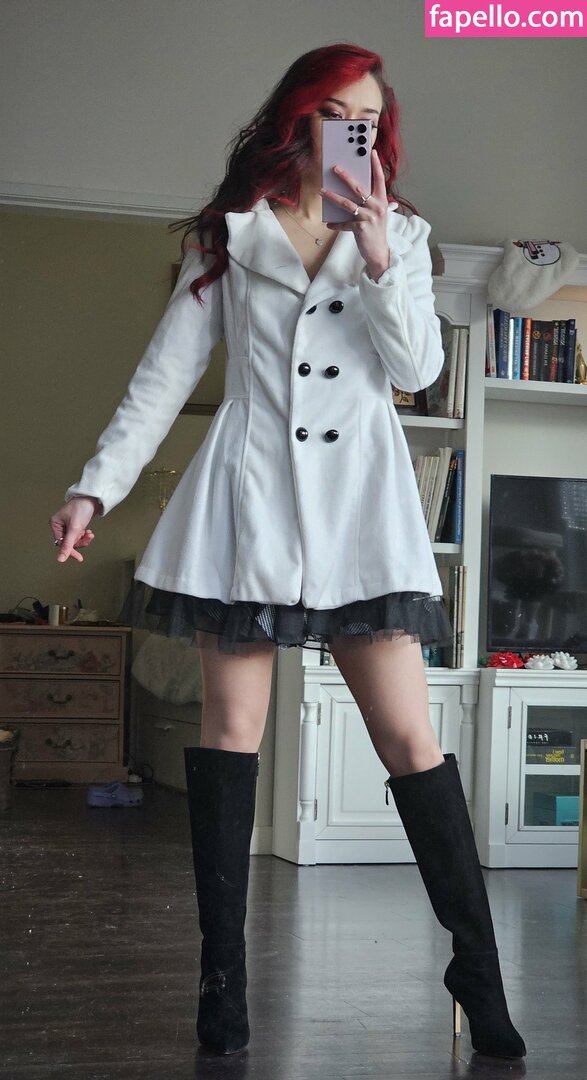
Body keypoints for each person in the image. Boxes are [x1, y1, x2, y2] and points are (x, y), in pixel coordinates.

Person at [49, 44, 526, 1060]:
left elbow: (415, 368)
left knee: (410, 741)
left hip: (359, 511)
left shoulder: (399, 234)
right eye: (334, 112)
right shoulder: (229, 237)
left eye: (368, 118)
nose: (353, 130)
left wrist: (381, 256)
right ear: (297, 117)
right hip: (248, 503)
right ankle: (221, 984)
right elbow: (162, 377)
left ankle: (477, 972)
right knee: (230, 734)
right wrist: (95, 487)